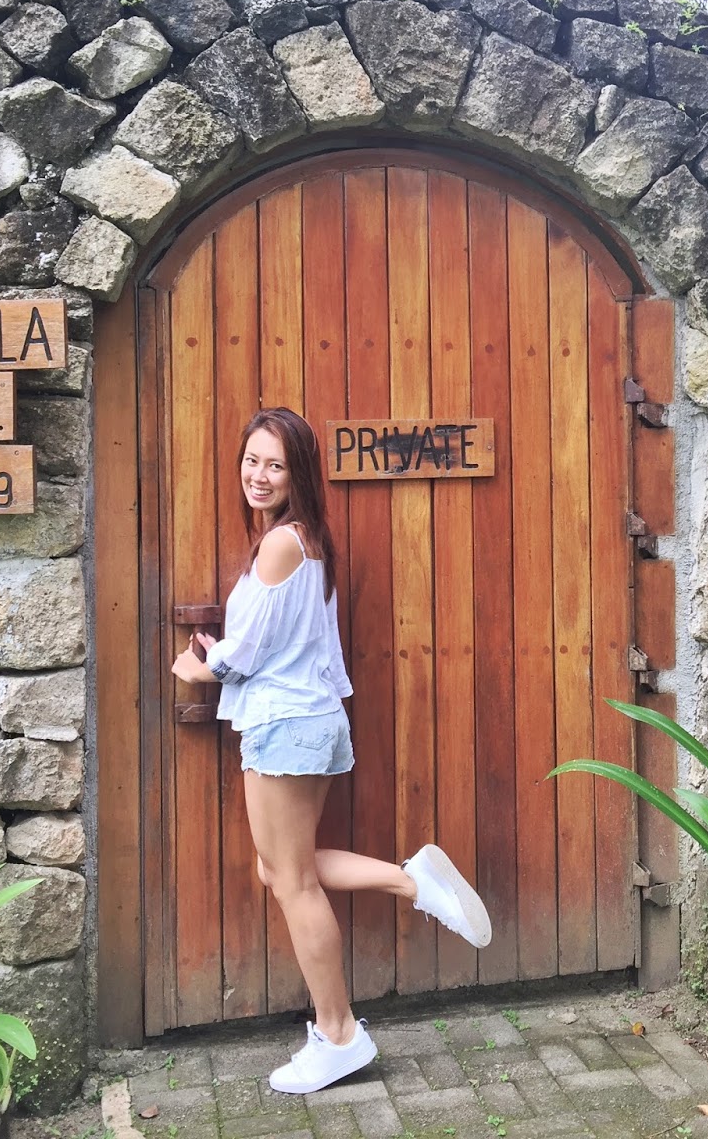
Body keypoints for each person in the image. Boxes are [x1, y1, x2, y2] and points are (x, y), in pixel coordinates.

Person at [170, 406, 492, 1095]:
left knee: (293, 882)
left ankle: (339, 1033)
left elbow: (244, 657)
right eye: (252, 460)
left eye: (275, 465)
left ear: (299, 475)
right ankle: (412, 881)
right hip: (306, 722)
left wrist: (199, 666)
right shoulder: (307, 539)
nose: (259, 475)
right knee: (277, 868)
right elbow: (274, 640)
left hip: (286, 726)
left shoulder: (279, 544)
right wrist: (226, 651)